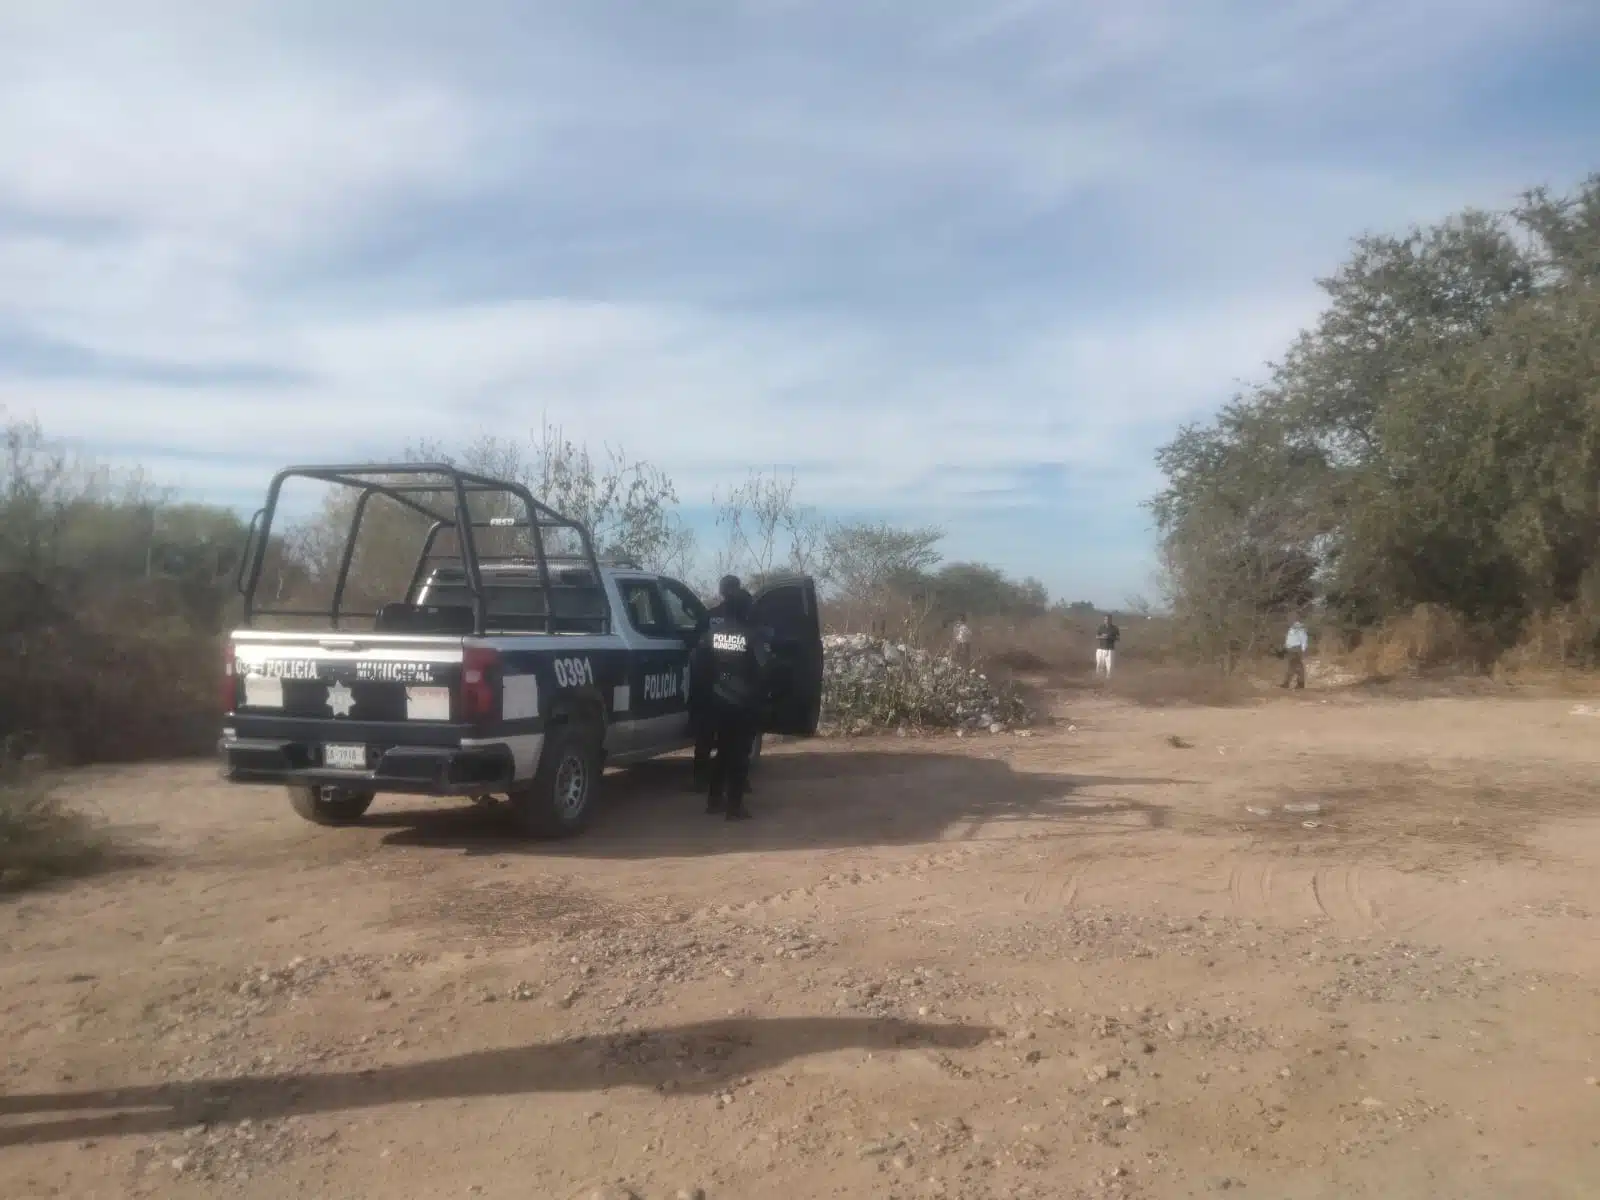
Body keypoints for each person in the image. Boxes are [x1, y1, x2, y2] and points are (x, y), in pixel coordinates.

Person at [692, 585, 771, 820]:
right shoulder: (751, 636)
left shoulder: (713, 635)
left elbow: (699, 664)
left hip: (718, 700)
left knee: (722, 752)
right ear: (746, 610)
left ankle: (714, 801)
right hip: (744, 703)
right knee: (739, 755)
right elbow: (764, 668)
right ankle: (735, 807)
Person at [1281, 616, 1309, 690]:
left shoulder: (1300, 630)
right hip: (1291, 650)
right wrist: (1286, 647)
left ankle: (1298, 684)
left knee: (1297, 667)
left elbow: (1304, 641)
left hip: (1296, 650)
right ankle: (1288, 683)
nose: (1295, 623)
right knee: (1293, 667)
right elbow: (1289, 640)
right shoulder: (1292, 629)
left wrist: (1302, 651)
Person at [1094, 613, 1120, 678]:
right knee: (1099, 664)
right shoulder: (1101, 627)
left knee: (1110, 666)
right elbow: (1096, 636)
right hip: (1100, 649)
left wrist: (1110, 637)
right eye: (1105, 619)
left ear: (1111, 620)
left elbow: (1118, 638)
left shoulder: (1115, 628)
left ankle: (1109, 680)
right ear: (1104, 620)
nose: (1107, 620)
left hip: (1110, 649)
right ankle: (1099, 678)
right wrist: (1102, 636)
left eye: (1108, 619)